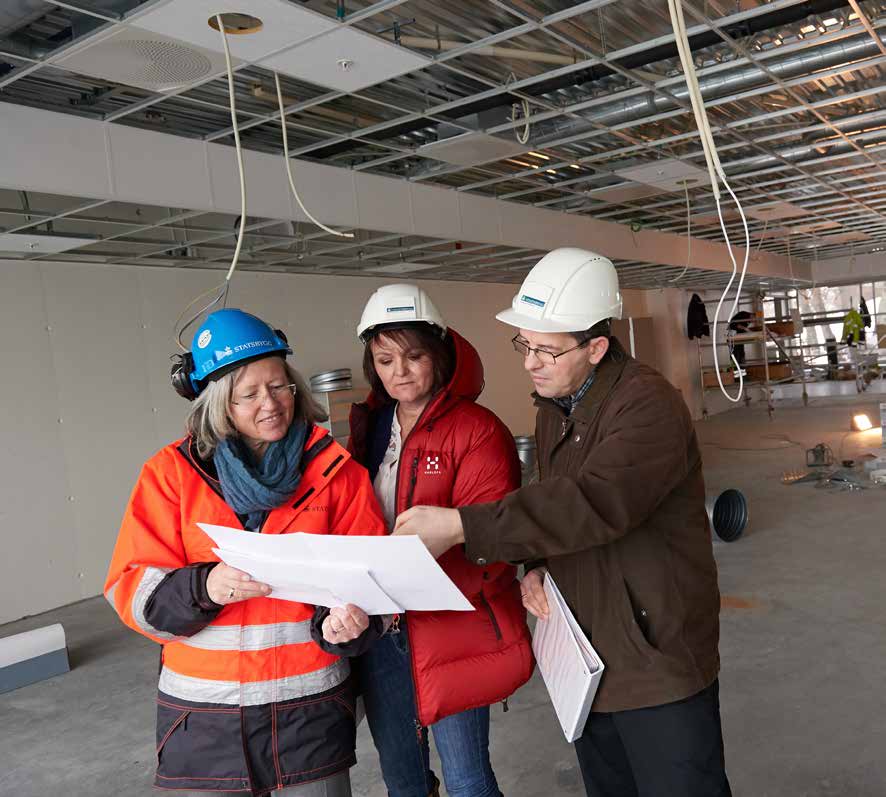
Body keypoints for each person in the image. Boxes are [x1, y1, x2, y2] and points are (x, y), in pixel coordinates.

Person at [394, 249, 732, 797]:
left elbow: (593, 502)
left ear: (596, 347)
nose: (530, 362)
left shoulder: (647, 405)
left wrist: (462, 525)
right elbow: (546, 500)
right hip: (588, 658)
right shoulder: (557, 407)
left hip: (654, 657)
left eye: (546, 349)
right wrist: (537, 564)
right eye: (524, 345)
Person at [104, 308, 387, 796]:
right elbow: (131, 591)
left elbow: (374, 584)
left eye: (279, 386)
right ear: (218, 404)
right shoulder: (170, 477)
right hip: (204, 722)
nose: (271, 404)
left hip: (309, 716)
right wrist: (204, 586)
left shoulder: (337, 474)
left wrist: (347, 621)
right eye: (248, 394)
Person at [348, 284, 534, 797]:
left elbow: (494, 540)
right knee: (403, 779)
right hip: (383, 630)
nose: (399, 372)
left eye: (413, 356)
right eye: (384, 359)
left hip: (453, 626)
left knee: (468, 779)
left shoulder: (477, 431)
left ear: (440, 355)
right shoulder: (370, 429)